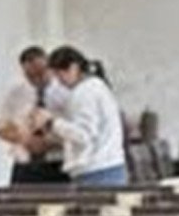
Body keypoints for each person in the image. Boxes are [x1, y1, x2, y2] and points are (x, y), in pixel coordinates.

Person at [48, 43, 128, 188]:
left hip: (96, 171)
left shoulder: (85, 92)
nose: (60, 83)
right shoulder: (95, 86)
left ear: (73, 68)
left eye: (60, 76)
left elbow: (84, 135)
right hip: (106, 166)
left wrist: (51, 123)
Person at [0, 44, 64, 185]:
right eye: (31, 76)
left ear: (50, 67)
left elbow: (80, 130)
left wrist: (51, 142)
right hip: (25, 165)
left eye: (41, 73)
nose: (37, 80)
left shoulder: (66, 91)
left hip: (59, 162)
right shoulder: (16, 92)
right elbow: (0, 129)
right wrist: (24, 139)